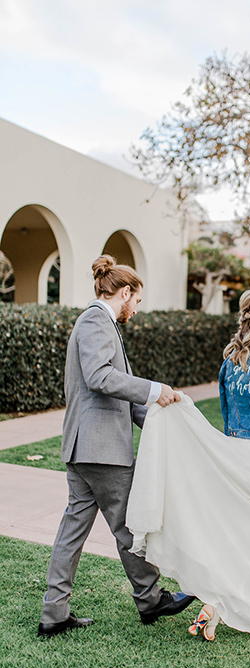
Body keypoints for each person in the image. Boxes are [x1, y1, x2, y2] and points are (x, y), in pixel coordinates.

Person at [126, 287, 250, 641]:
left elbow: (228, 417)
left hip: (237, 458)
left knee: (239, 538)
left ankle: (216, 604)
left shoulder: (231, 361)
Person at [38, 255, 195, 638]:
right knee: (129, 524)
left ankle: (54, 613)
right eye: (136, 301)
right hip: (101, 449)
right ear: (125, 292)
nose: (136, 310)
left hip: (85, 447)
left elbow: (114, 393)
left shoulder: (100, 322)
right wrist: (155, 389)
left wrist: (159, 419)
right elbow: (99, 377)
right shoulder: (95, 320)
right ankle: (151, 598)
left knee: (73, 529)